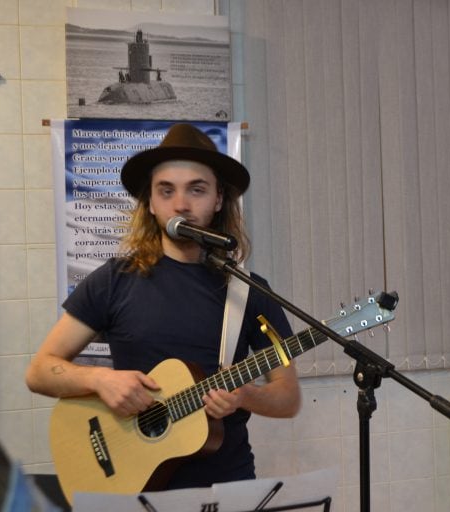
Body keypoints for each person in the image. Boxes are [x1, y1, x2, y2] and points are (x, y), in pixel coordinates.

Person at [25, 123, 301, 490]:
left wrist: (245, 396)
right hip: (131, 485)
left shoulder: (248, 291)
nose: (181, 204)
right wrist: (99, 378)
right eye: (166, 190)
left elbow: (288, 397)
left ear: (218, 199)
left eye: (197, 190)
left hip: (225, 485)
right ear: (151, 203)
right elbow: (40, 371)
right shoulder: (114, 280)